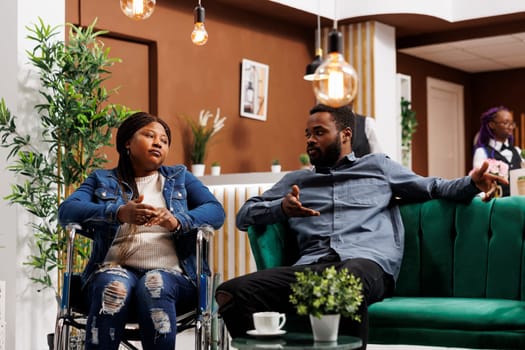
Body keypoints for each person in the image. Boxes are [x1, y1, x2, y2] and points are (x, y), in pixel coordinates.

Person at [215, 104, 506, 349]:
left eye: (319, 132)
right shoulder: (298, 181)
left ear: (345, 135)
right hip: (310, 269)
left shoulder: (378, 167)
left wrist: (472, 184)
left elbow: (434, 187)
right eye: (308, 134)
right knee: (231, 292)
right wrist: (280, 208)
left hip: (365, 265)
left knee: (344, 280)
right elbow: (244, 215)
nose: (310, 140)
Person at [58, 112, 225, 350]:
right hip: (113, 270)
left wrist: (177, 221)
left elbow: (215, 211)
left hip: (173, 276)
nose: (158, 142)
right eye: (150, 135)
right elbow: (67, 211)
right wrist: (118, 213)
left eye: (164, 140)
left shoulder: (179, 178)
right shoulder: (102, 179)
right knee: (113, 288)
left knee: (154, 283)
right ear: (127, 141)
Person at [472, 106, 522, 196]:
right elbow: (480, 185)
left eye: (512, 123)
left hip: (518, 204)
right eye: (506, 122)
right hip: (497, 205)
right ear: (492, 125)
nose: (511, 127)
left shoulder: (517, 151)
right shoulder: (482, 152)